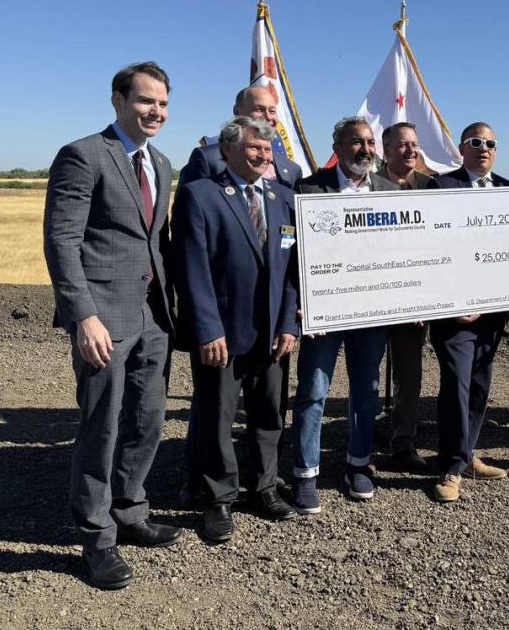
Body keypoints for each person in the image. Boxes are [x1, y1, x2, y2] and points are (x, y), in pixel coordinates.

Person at [44, 62, 179, 589]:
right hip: (103, 317)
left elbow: (154, 241)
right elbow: (62, 241)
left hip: (152, 315)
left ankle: (130, 509)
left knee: (147, 418)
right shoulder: (83, 155)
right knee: (101, 426)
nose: (157, 112)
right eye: (147, 101)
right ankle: (96, 537)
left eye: (164, 104)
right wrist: (84, 316)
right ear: (118, 100)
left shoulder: (162, 163)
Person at [171, 116, 300, 543]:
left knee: (269, 417)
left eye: (268, 150)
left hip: (272, 337)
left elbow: (290, 273)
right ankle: (218, 499)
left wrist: (287, 323)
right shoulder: (200, 196)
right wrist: (208, 330)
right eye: (254, 149)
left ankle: (264, 488)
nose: (264, 157)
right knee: (216, 420)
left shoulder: (283, 199)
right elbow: (192, 272)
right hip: (221, 336)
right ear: (227, 152)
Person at [291, 117, 398, 510]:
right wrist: (303, 302)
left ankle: (358, 463)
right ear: (337, 145)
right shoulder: (308, 189)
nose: (366, 149)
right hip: (325, 312)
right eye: (356, 142)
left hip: (371, 312)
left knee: (365, 391)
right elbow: (294, 257)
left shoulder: (389, 191)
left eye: (370, 142)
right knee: (314, 391)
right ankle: (306, 473)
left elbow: (404, 255)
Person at [427, 122, 509, 503]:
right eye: (476, 142)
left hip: (493, 314)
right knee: (457, 386)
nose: (484, 148)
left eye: (491, 143)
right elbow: (428, 251)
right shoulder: (440, 187)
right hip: (453, 314)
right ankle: (451, 466)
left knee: (479, 386)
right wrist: (450, 301)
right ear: (462, 148)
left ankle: (467, 453)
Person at [376, 122, 434, 472]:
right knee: (366, 375)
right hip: (370, 296)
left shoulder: (431, 187)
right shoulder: (366, 187)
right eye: (402, 145)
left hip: (413, 300)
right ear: (385, 151)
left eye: (415, 144)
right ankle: (361, 443)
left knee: (409, 375)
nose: (411, 151)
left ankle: (403, 441)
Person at [177, 86, 301, 188]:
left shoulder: (291, 169)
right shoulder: (208, 159)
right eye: (259, 109)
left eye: (272, 111)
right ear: (237, 111)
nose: (268, 117)